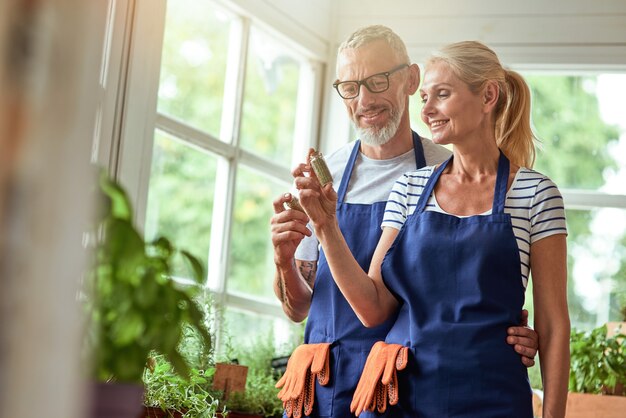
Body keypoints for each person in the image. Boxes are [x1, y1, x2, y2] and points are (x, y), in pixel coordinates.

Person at [271, 26, 540, 418]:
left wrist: (504, 333)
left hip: (402, 388)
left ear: (411, 80)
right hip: (324, 382)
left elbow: (473, 283)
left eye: (378, 81)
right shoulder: (324, 176)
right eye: (349, 86)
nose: (364, 99)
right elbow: (298, 308)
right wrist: (281, 259)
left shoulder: (443, 171)